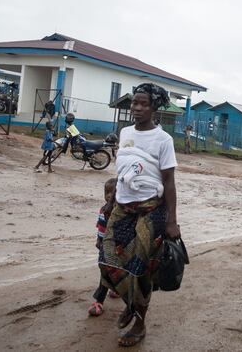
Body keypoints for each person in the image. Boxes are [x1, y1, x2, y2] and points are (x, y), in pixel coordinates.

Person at [99, 82, 180, 347]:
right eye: (135, 102)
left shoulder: (163, 140)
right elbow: (122, 172)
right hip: (122, 206)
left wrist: (171, 220)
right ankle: (132, 304)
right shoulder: (125, 133)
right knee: (108, 260)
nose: (138, 108)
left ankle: (140, 322)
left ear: (155, 107)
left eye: (144, 103)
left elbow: (169, 181)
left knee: (139, 268)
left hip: (151, 210)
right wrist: (111, 202)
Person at [88, 178, 120, 317]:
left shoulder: (123, 211)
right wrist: (98, 239)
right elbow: (101, 227)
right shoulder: (104, 209)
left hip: (119, 248)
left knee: (114, 271)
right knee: (105, 271)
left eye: (112, 192)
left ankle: (106, 295)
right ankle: (102, 297)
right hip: (105, 246)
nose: (108, 195)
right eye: (106, 192)